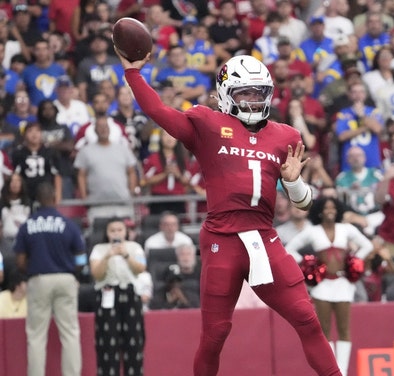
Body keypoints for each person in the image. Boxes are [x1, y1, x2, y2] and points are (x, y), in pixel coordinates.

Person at [120, 52, 342, 375]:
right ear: (226, 94)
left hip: (263, 238)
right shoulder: (208, 124)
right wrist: (133, 73)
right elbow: (158, 110)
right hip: (222, 239)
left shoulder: (285, 136)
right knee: (215, 335)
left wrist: (293, 184)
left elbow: (305, 204)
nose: (253, 100)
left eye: (259, 93)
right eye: (245, 93)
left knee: (307, 319)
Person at [285, 196, 373, 375]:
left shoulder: (346, 228)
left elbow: (367, 245)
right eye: (326, 208)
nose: (330, 211)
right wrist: (306, 262)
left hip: (343, 282)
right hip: (322, 285)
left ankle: (344, 371)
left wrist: (355, 261)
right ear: (319, 211)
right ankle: (332, 371)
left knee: (344, 329)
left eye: (333, 207)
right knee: (324, 330)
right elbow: (289, 248)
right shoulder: (313, 231)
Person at [14, 182, 87, 376]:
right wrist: (73, 272)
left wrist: (30, 270)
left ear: (37, 201)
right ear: (55, 199)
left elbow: (19, 261)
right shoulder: (68, 224)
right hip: (65, 278)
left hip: (39, 278)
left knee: (36, 336)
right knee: (70, 333)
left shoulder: (28, 225)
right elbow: (81, 258)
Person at [89, 217, 147, 376]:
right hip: (107, 296)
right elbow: (97, 274)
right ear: (107, 233)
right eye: (112, 230)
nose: (116, 233)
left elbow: (141, 268)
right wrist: (108, 256)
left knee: (134, 343)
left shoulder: (135, 247)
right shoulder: (99, 249)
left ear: (126, 232)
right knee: (107, 343)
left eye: (119, 230)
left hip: (130, 296)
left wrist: (126, 255)